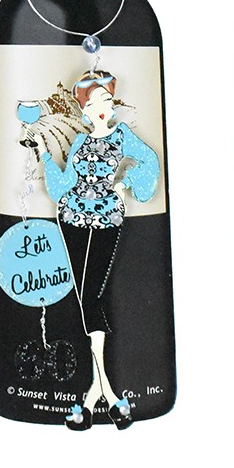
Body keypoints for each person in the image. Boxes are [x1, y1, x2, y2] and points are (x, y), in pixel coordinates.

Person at [40, 69, 159, 430]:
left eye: (107, 98)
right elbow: (63, 185)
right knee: (85, 298)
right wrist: (44, 154)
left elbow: (150, 161)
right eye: (96, 101)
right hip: (72, 216)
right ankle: (100, 395)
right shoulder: (79, 141)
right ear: (85, 110)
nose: (105, 105)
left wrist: (125, 184)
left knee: (91, 296)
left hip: (107, 217)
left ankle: (100, 394)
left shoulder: (122, 136)